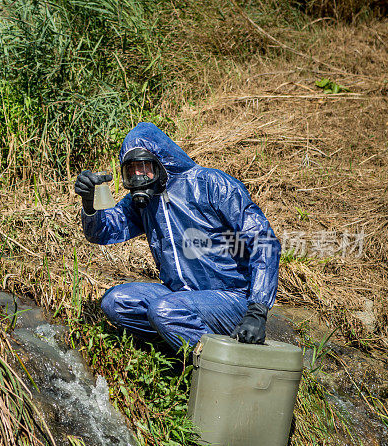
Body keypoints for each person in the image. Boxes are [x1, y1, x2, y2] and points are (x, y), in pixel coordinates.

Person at [74, 123, 281, 350]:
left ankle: (220, 363)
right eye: (131, 170)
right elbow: (103, 232)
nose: (138, 175)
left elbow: (264, 241)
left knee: (165, 310)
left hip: (231, 298)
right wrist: (89, 204)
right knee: (116, 302)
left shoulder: (211, 185)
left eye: (143, 167)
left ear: (161, 161)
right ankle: (178, 347)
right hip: (178, 297)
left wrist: (257, 311)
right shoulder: (143, 202)